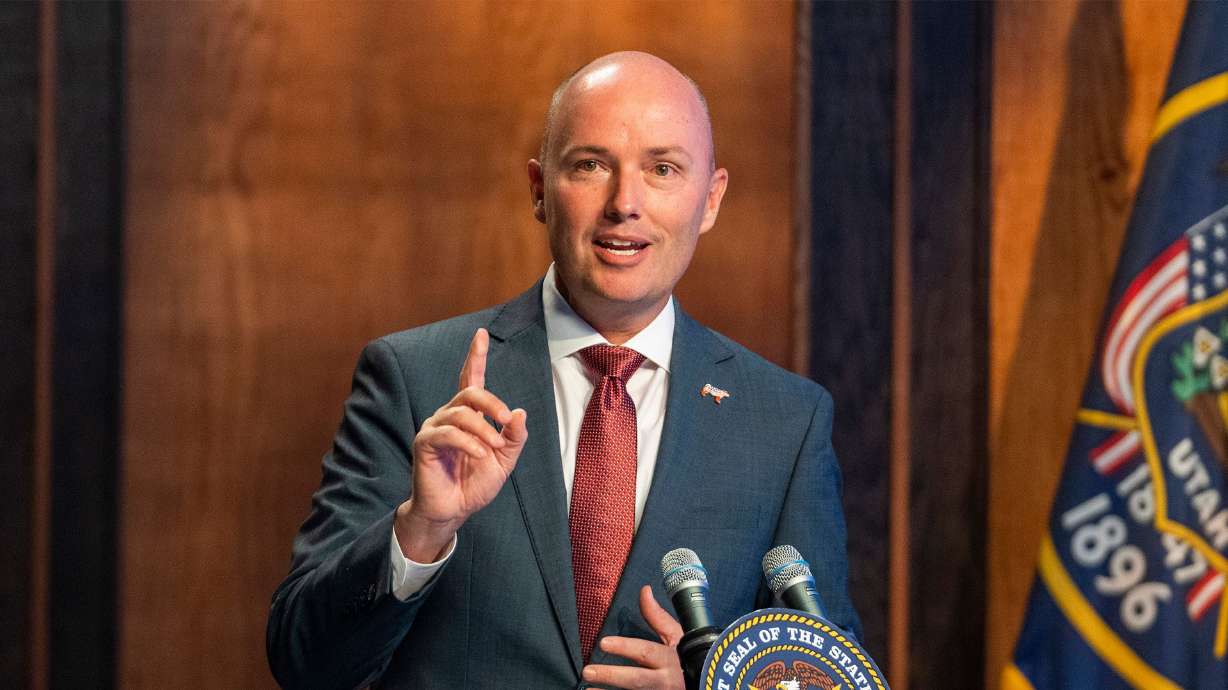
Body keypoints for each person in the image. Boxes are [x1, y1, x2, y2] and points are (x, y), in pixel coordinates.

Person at [267, 50, 860, 690]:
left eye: (662, 169)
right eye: (590, 165)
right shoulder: (414, 379)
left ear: (709, 200)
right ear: (539, 190)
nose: (623, 203)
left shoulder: (785, 422)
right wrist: (421, 529)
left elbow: (830, 669)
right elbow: (305, 664)